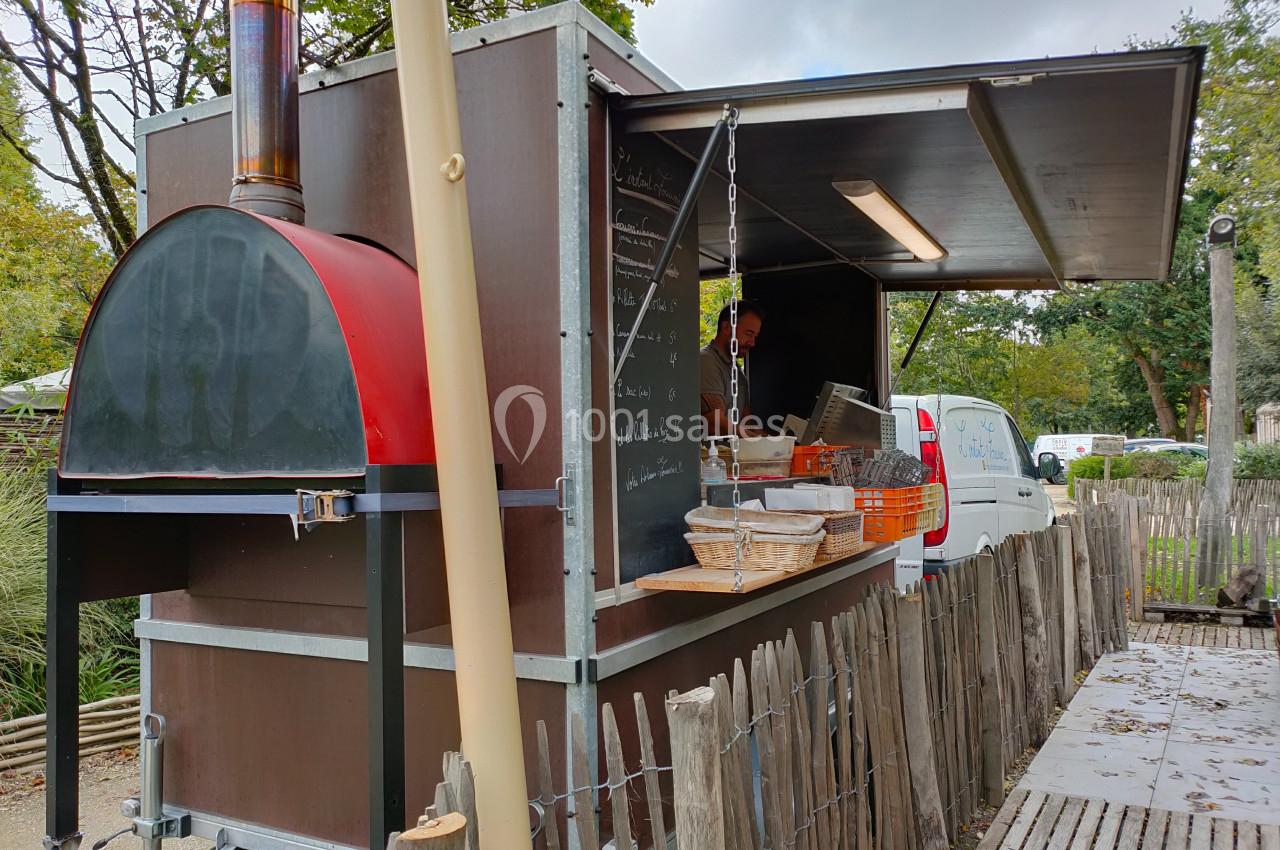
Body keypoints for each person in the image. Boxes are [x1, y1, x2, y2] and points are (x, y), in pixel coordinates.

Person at [700, 300, 763, 436]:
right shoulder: (706, 360)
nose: (752, 343)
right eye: (748, 334)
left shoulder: (738, 373)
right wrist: (760, 441)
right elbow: (714, 422)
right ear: (727, 328)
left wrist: (778, 441)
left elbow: (747, 422)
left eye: (755, 336)